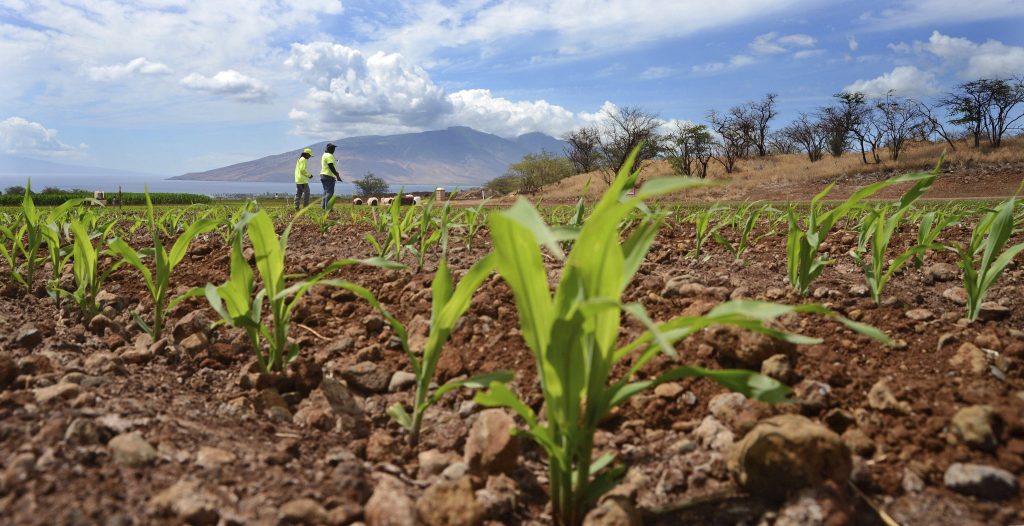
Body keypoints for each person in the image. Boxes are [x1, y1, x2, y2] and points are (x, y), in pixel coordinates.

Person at [320, 143, 342, 210]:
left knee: (325, 192)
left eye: (334, 148)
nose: (333, 150)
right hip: (328, 176)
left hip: (323, 175)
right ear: (327, 148)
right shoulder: (329, 155)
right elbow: (330, 166)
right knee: (330, 192)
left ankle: (324, 207)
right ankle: (328, 208)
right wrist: (336, 174)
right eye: (332, 148)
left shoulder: (324, 155)